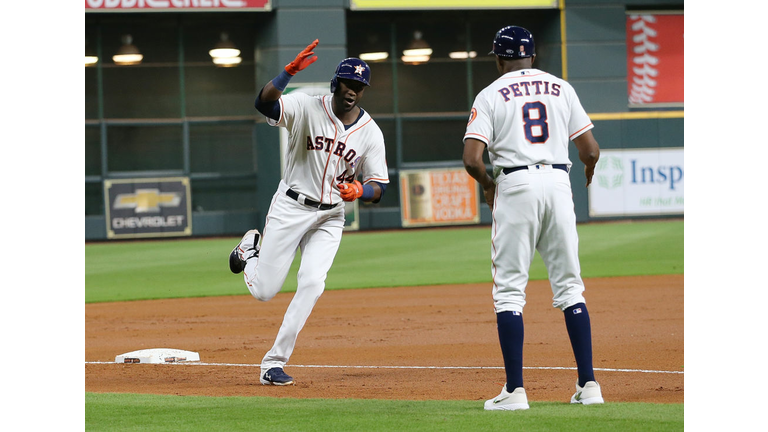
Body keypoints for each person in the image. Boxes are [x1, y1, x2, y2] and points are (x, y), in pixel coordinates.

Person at [228, 39, 389, 386]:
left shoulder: (370, 133)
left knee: (313, 282)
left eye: (359, 87)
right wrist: (287, 73)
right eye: (348, 84)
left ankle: (273, 362)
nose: (353, 92)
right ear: (336, 83)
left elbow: (379, 187)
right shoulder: (304, 106)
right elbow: (263, 104)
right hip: (291, 207)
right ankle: (250, 249)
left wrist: (361, 190)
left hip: (331, 216)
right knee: (264, 291)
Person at [463, 26, 604, 410]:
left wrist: (489, 186)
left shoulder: (490, 94)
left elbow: (472, 160)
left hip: (516, 184)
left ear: (498, 60)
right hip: (558, 183)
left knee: (509, 291)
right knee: (570, 288)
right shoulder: (562, 87)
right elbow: (590, 150)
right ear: (533, 56)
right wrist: (587, 171)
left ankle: (515, 391)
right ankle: (589, 385)